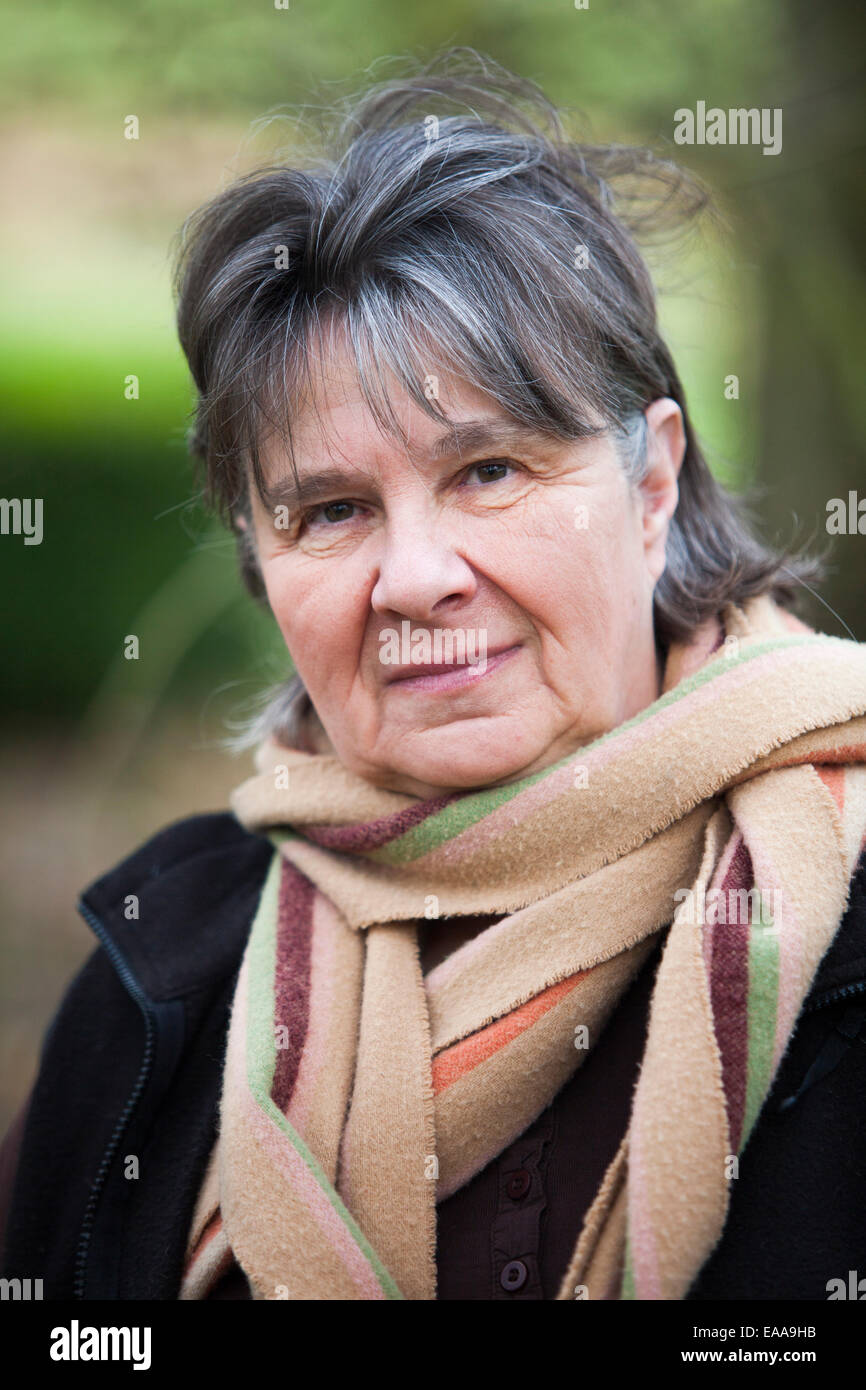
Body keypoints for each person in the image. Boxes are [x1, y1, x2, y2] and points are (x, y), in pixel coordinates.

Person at [3, 51, 866, 1302]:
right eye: (333, 508)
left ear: (651, 483)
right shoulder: (155, 983)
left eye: (490, 472)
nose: (415, 577)